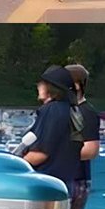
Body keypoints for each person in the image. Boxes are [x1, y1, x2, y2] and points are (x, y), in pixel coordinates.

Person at [15, 66, 80, 195]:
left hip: (44, 184)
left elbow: (40, 154)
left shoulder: (51, 110)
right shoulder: (75, 112)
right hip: (65, 184)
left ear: (51, 88)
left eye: (42, 83)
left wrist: (14, 165)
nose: (38, 86)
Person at [65, 64, 100, 209]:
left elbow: (91, 150)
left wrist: (56, 154)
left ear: (77, 86)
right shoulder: (67, 110)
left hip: (76, 180)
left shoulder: (87, 113)